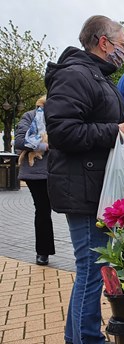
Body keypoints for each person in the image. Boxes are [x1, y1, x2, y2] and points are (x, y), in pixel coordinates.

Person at [44, 15, 124, 344]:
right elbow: (61, 131)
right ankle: (88, 339)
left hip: (94, 187)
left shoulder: (96, 77)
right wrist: (116, 130)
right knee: (92, 270)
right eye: (123, 44)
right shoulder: (76, 75)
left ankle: (78, 337)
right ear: (104, 42)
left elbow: (100, 126)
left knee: (92, 270)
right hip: (84, 189)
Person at [14, 95, 55, 266]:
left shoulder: (60, 118)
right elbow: (20, 141)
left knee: (71, 210)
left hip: (59, 169)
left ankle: (80, 251)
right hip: (36, 172)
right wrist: (46, 146)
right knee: (43, 209)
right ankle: (43, 252)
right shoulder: (29, 116)